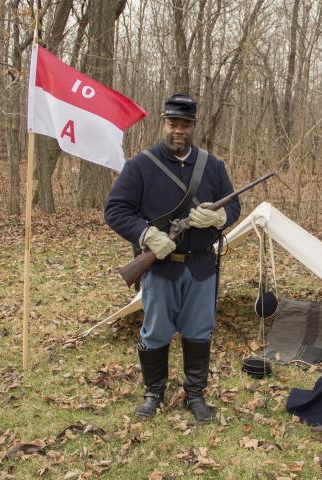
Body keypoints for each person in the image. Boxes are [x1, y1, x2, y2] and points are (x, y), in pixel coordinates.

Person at [104, 94, 240, 422]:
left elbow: (234, 206)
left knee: (199, 331)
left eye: (185, 125)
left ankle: (195, 395)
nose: (178, 130)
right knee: (156, 332)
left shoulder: (213, 166)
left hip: (202, 267)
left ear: (194, 127)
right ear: (163, 124)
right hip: (160, 267)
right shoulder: (140, 165)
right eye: (173, 123)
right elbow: (115, 210)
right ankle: (154, 394)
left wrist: (219, 219)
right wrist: (146, 235)